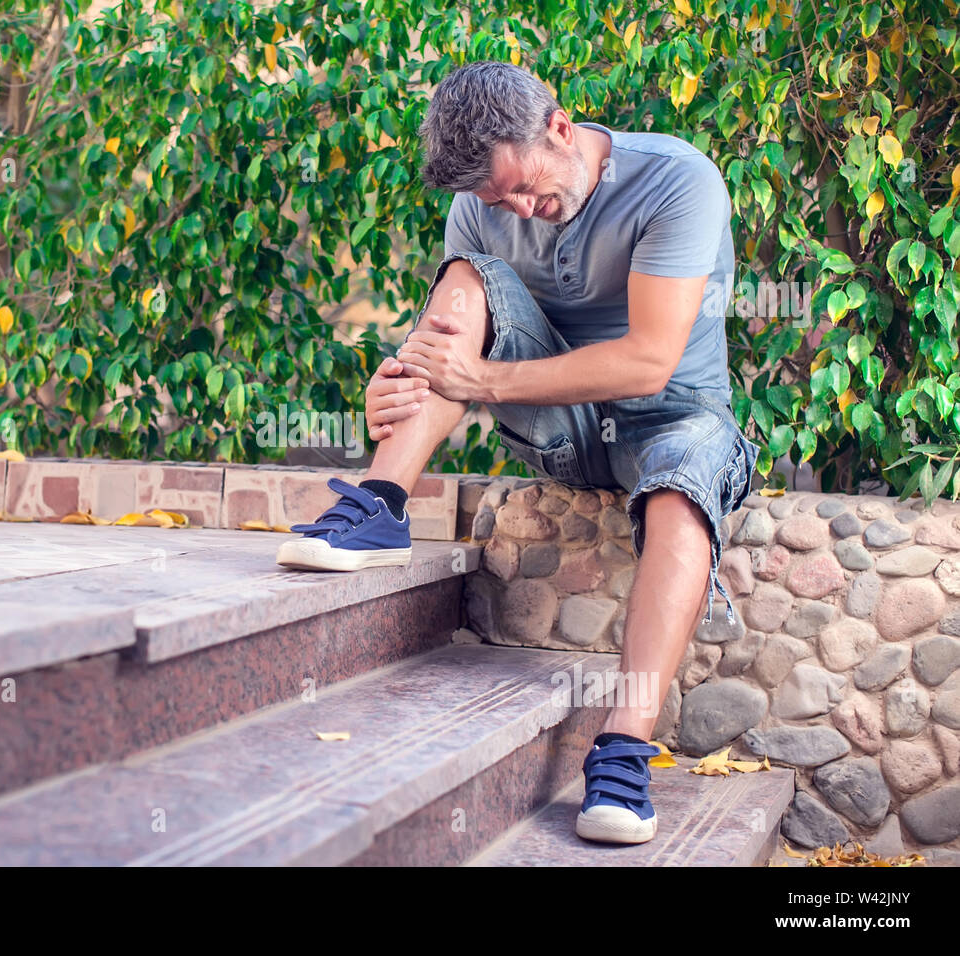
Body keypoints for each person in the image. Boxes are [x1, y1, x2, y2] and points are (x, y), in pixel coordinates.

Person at [275, 60, 761, 845]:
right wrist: (396, 387)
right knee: (468, 275)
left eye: (526, 190)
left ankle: (624, 755)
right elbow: (455, 334)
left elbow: (648, 360)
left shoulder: (678, 180)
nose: (522, 212)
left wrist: (483, 380)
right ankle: (377, 504)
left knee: (681, 485)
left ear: (560, 128)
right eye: (499, 201)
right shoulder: (480, 207)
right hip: (560, 431)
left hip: (675, 423)